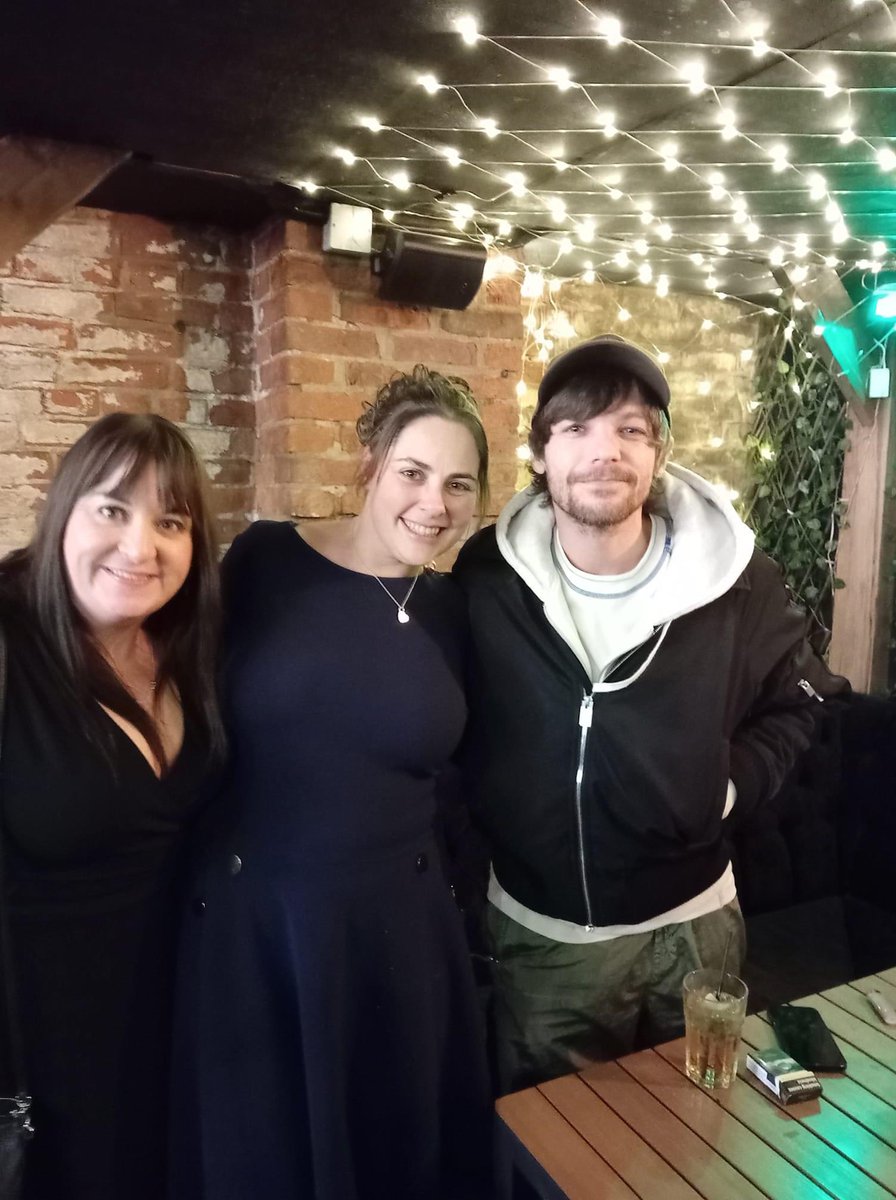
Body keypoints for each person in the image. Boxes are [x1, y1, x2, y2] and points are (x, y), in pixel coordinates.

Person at [453, 333, 843, 1093]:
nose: (606, 451)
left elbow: (803, 699)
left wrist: (725, 790)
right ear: (539, 455)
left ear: (659, 452)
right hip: (546, 939)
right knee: (555, 1150)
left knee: (701, 1135)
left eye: (631, 429)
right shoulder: (486, 578)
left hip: (697, 931)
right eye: (578, 429)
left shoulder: (736, 580)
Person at [172, 365, 493, 1200]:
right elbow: (179, 691)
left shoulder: (455, 607)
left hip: (401, 937)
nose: (435, 503)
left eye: (459, 485)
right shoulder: (266, 557)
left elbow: (458, 772)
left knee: (393, 1160)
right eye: (414, 473)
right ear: (369, 466)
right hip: (259, 925)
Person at [0, 413, 223, 1199]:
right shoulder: (10, 641)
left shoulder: (190, 646)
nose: (140, 547)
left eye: (170, 521)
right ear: (63, 508)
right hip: (45, 1050)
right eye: (111, 509)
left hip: (176, 1021)